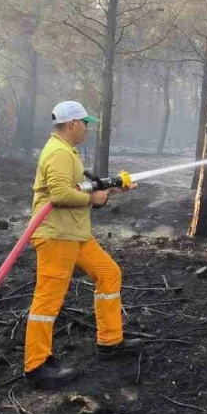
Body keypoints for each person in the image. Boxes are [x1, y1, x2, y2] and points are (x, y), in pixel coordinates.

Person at [24, 100, 144, 387]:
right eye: (85, 123)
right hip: (56, 236)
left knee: (108, 274)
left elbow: (74, 189)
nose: (87, 128)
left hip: (75, 233)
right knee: (47, 299)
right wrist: (92, 199)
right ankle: (36, 365)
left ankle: (110, 341)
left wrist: (107, 189)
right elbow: (59, 196)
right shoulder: (58, 153)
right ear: (72, 123)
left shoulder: (68, 152)